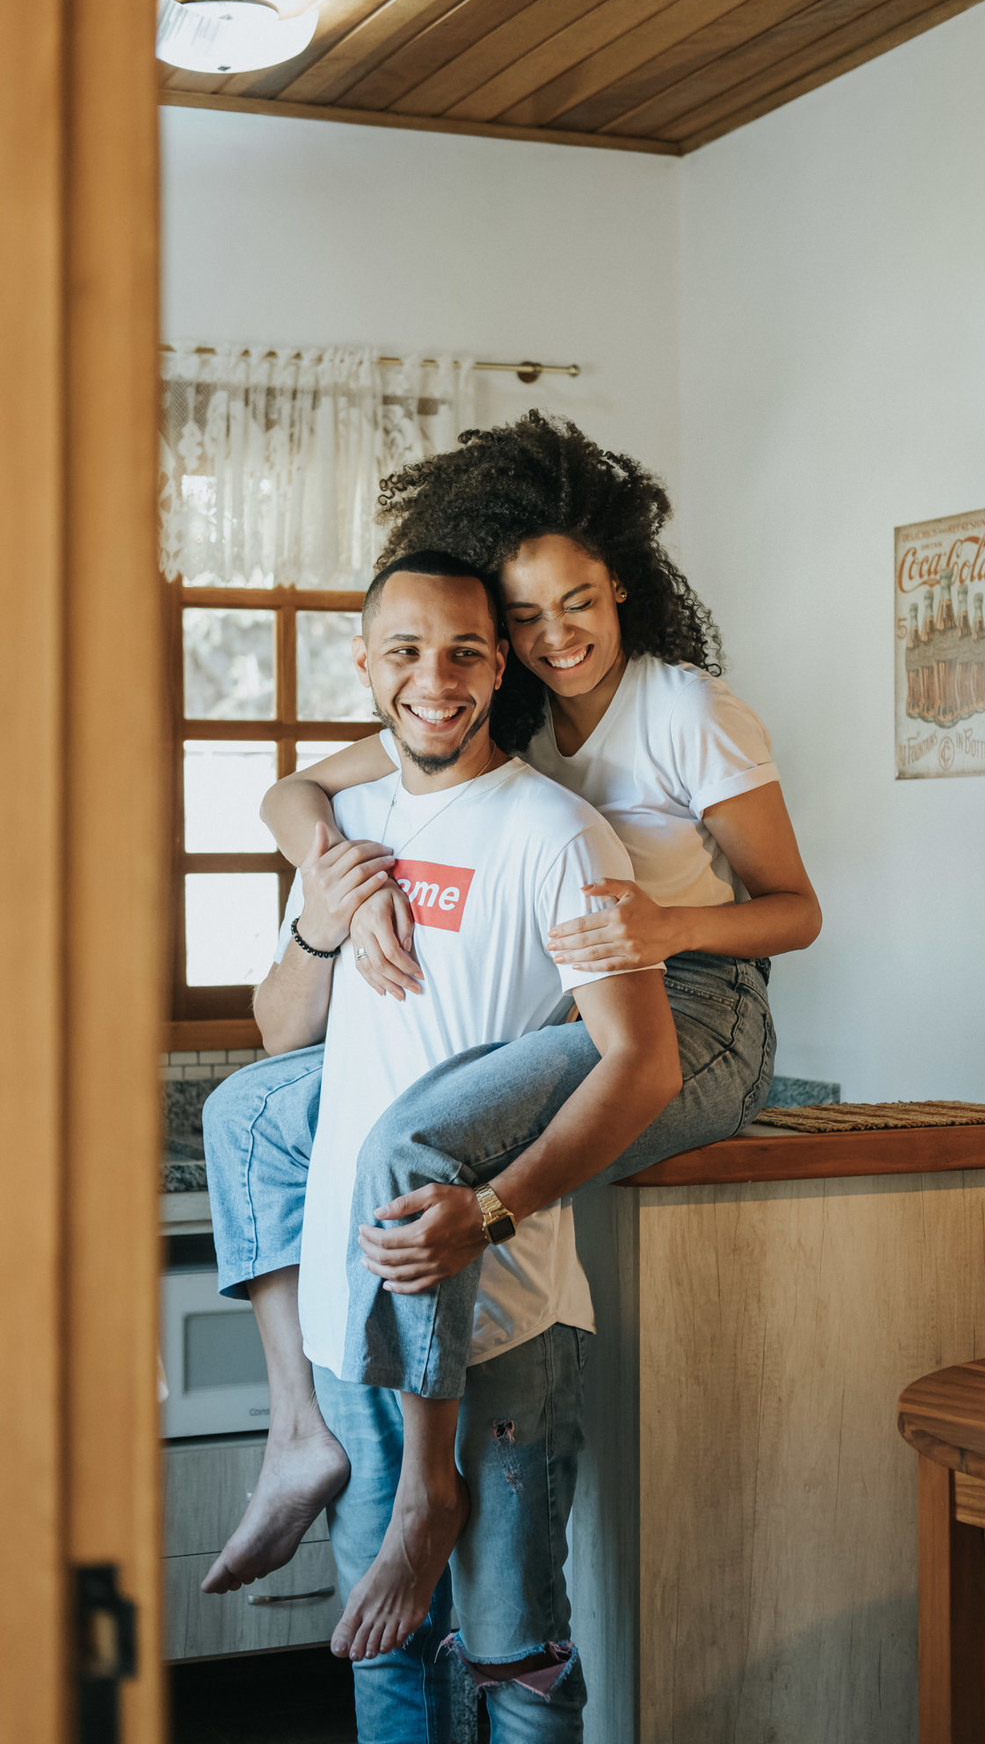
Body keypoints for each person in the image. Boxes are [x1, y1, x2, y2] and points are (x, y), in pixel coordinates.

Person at [202, 412, 821, 1666]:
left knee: (420, 1140)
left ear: (623, 586)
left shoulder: (685, 709)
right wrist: (341, 891)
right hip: (579, 997)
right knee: (249, 1109)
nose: (555, 636)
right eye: (526, 617)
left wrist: (665, 923)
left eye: (576, 603)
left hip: (699, 1000)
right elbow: (295, 789)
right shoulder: (509, 707)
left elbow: (796, 911)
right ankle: (298, 1431)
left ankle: (428, 1491)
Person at [218, 548, 683, 1741]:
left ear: (499, 669)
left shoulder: (559, 835)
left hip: (506, 1320)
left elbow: (642, 1063)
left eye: (466, 652)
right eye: (409, 652)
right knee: (389, 1656)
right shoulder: (347, 828)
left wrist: (497, 1208)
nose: (437, 679)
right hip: (347, 1316)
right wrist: (323, 924)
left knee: (516, 1659)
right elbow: (281, 1033)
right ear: (365, 666)